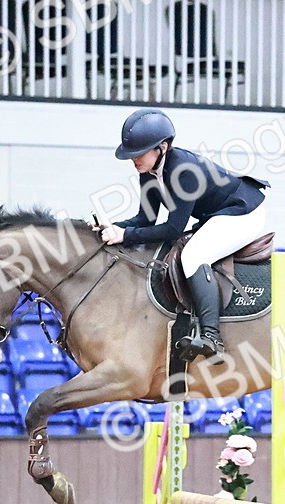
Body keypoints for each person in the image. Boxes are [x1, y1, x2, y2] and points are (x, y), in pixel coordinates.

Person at [96, 108, 270, 362]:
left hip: (244, 212)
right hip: (218, 213)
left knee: (193, 256)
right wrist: (112, 227)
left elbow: (173, 229)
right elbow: (145, 219)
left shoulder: (184, 170)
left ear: (162, 148)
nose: (133, 159)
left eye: (139, 153)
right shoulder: (148, 173)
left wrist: (126, 235)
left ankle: (212, 337)